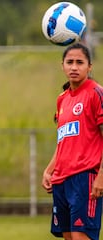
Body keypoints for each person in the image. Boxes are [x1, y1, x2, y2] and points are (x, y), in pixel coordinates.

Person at [42, 42, 103, 240]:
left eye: (80, 62)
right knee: (68, 236)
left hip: (84, 177)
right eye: (70, 62)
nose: (74, 67)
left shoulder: (96, 93)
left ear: (89, 66)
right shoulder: (62, 99)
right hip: (61, 180)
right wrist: (50, 169)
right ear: (62, 66)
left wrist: (101, 176)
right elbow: (65, 140)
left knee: (81, 236)